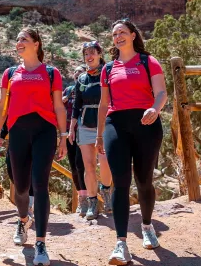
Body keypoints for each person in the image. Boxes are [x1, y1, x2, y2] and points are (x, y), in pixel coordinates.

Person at [0, 28, 67, 266]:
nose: (19, 42)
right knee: (21, 188)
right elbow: (2, 107)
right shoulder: (11, 73)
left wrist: (63, 137)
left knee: (40, 184)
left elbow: (59, 107)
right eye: (17, 39)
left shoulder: (52, 73)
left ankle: (41, 243)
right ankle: (23, 219)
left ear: (36, 44)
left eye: (24, 39)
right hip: (18, 134)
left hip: (44, 132)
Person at [95, 19, 168, 265]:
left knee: (144, 180)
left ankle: (147, 225)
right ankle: (121, 243)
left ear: (134, 35)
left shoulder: (149, 62)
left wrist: (155, 109)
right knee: (121, 182)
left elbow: (161, 93)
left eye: (122, 32)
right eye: (114, 34)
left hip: (147, 124)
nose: (118, 37)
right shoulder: (107, 69)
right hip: (116, 125)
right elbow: (104, 104)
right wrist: (98, 135)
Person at [69, 41, 113, 220]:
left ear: (100, 54)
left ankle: (107, 191)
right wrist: (72, 127)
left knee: (104, 160)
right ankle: (92, 202)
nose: (89, 57)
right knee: (88, 166)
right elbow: (76, 105)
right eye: (86, 54)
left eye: (92, 52)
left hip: (106, 124)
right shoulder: (82, 79)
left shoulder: (108, 73)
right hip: (85, 126)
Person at [62, 66, 88, 216]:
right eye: (76, 72)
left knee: (81, 164)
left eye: (81, 72)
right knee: (73, 167)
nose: (78, 74)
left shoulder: (88, 89)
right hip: (69, 133)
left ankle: (90, 198)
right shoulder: (68, 90)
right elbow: (58, 108)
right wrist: (62, 101)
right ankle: (81, 197)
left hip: (85, 132)